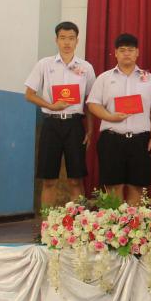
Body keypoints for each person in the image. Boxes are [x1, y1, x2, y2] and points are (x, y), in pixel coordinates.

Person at [24, 21, 96, 207]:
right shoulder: (44, 64)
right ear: (56, 40)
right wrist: (51, 105)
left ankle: (79, 222)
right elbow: (29, 94)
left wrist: (89, 130)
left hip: (75, 125)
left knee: (76, 179)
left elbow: (90, 102)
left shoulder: (86, 67)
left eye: (71, 38)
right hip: (51, 124)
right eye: (63, 38)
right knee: (49, 180)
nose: (67, 42)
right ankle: (47, 223)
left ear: (77, 41)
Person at [86, 33, 151, 204]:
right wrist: (110, 117)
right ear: (115, 53)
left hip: (141, 140)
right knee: (113, 187)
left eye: (130, 50)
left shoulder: (149, 79)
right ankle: (115, 221)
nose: (126, 53)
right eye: (122, 50)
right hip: (112, 138)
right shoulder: (104, 78)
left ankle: (133, 221)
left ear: (137, 53)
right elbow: (93, 104)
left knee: (137, 187)